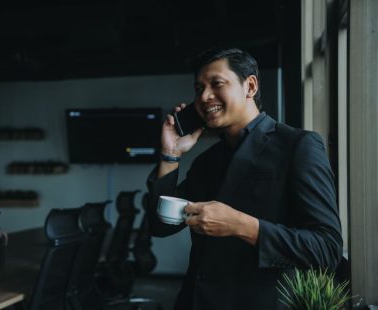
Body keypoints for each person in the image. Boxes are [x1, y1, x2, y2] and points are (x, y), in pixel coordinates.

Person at [146, 47, 343, 309]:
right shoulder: (207, 161)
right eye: (198, 88)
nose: (204, 96)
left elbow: (326, 250)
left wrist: (242, 225)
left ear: (250, 86)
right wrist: (170, 155)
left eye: (216, 84)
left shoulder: (298, 146)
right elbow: (161, 227)